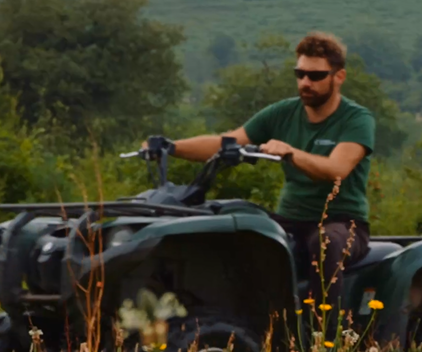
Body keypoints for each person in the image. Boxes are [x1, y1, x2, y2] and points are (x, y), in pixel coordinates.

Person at [143, 32, 375, 333]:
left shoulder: (357, 119)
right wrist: (170, 147)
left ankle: (325, 340)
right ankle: (234, 326)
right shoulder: (283, 112)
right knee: (238, 228)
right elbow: (225, 142)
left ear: (339, 76)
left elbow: (336, 169)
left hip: (344, 223)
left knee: (326, 242)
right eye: (300, 74)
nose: (306, 82)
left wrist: (291, 152)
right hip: (290, 219)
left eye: (316, 75)